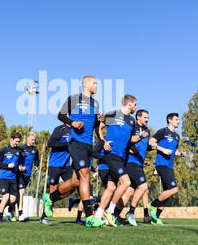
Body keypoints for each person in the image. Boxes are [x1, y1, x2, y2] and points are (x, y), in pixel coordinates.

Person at [42, 76, 105, 228]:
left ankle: (49, 198)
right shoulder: (74, 99)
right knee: (85, 176)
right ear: (86, 85)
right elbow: (60, 115)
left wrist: (99, 120)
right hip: (76, 142)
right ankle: (90, 217)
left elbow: (93, 124)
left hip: (88, 143)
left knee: (76, 181)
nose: (96, 85)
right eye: (94, 83)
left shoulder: (95, 103)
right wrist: (73, 123)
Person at [94, 95, 147, 227]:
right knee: (126, 182)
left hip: (121, 158)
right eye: (135, 105)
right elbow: (99, 127)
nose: (136, 107)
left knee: (111, 187)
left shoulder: (131, 121)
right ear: (130, 104)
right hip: (111, 154)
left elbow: (131, 139)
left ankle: (98, 216)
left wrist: (140, 136)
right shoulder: (114, 114)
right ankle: (110, 212)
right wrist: (103, 141)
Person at [147, 113, 187, 226]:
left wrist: (181, 154)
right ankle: (152, 205)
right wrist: (162, 149)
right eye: (176, 119)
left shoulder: (177, 136)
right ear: (170, 120)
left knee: (168, 194)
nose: (178, 121)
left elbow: (173, 152)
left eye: (178, 119)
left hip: (169, 165)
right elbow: (151, 142)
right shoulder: (163, 131)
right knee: (174, 189)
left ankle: (155, 219)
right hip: (161, 164)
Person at [120, 109, 153, 226]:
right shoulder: (132, 127)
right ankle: (131, 212)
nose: (147, 119)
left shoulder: (147, 131)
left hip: (139, 164)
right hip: (130, 163)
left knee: (129, 192)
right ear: (138, 117)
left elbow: (144, 146)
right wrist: (129, 149)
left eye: (148, 118)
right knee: (144, 186)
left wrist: (152, 147)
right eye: (145, 117)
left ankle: (114, 214)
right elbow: (125, 140)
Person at [39, 123, 71, 225]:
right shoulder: (60, 129)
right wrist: (67, 143)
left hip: (67, 165)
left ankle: (50, 199)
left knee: (73, 185)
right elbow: (51, 143)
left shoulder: (75, 130)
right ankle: (43, 217)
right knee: (53, 189)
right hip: (55, 164)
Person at [0, 132, 22, 222]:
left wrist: (20, 167)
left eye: (18, 142)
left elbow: (20, 163)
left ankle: (8, 210)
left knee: (13, 199)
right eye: (16, 141)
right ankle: (0, 216)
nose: (17, 143)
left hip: (13, 177)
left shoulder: (19, 151)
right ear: (11, 139)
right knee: (6, 197)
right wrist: (7, 166)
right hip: (4, 177)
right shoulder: (4, 149)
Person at [17, 132, 39, 221]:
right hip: (20, 174)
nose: (33, 141)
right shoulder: (21, 148)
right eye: (32, 140)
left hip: (28, 174)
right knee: (21, 193)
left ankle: (11, 211)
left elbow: (37, 159)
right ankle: (20, 214)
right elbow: (17, 159)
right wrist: (19, 166)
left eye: (34, 140)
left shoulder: (35, 150)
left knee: (19, 194)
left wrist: (36, 166)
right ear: (27, 139)